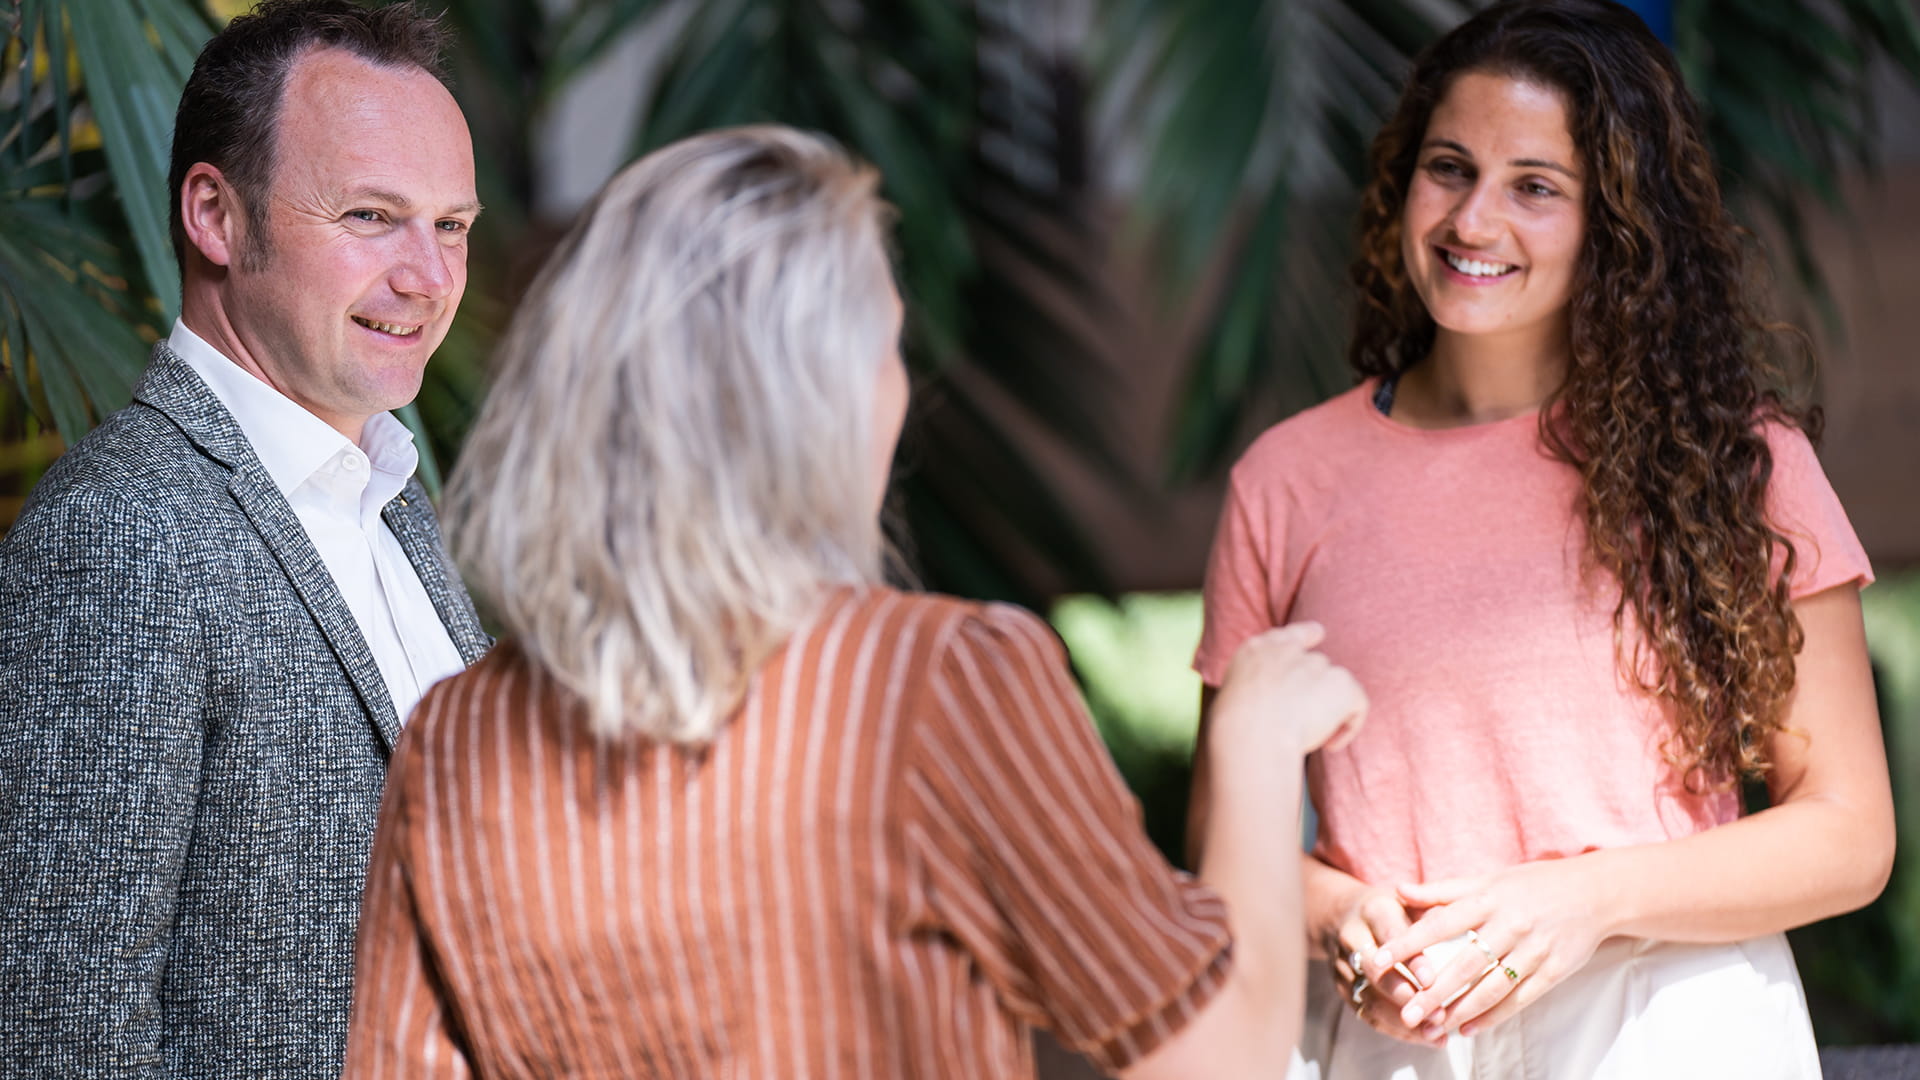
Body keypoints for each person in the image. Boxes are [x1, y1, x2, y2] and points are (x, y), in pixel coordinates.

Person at [341, 125, 1368, 1079]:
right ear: (809, 396)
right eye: (884, 348)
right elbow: (1214, 1060)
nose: (899, 392)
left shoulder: (458, 737)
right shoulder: (940, 680)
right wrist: (1258, 749)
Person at [1189, 1, 1894, 1076]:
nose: (1474, 220)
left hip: (1668, 1020)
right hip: (1399, 1039)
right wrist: (1340, 915)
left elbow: (1850, 832)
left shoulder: (1736, 460)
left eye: (1535, 187)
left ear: (1615, 221)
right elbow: (1221, 834)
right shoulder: (1286, 479)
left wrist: (1587, 901)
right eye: (1449, 168)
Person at [0, 2, 490, 1075]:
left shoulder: (396, 502)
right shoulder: (119, 534)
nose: (430, 277)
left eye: (450, 225)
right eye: (371, 216)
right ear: (218, 216)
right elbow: (58, 1036)